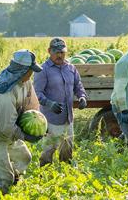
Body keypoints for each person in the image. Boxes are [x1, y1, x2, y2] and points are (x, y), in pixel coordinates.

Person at [0, 49, 43, 195]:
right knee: (5, 177)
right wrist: (26, 136)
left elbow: (32, 106)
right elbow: (5, 126)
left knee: (25, 158)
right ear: (22, 70)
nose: (32, 73)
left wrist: (41, 125)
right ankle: (1, 189)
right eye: (30, 70)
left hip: (9, 130)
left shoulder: (25, 81)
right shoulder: (6, 90)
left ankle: (10, 183)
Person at [34, 37, 87, 166]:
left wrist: (82, 97)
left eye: (62, 52)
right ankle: (45, 171)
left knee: (67, 147)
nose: (59, 55)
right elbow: (37, 93)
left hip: (68, 117)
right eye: (56, 52)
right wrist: (49, 103)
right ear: (49, 51)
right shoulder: (43, 70)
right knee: (49, 148)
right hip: (51, 118)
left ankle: (66, 169)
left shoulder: (71, 68)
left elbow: (78, 85)